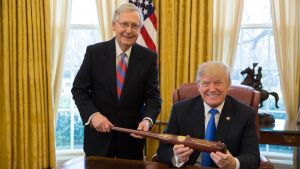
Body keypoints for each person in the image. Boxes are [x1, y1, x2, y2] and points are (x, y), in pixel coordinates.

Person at [71, 3, 161, 160]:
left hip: (131, 142)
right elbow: (79, 90)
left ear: (140, 29)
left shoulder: (149, 58)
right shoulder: (94, 53)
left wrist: (147, 121)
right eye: (124, 24)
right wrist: (93, 115)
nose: (129, 30)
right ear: (114, 25)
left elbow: (153, 98)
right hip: (98, 140)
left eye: (135, 26)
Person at [157, 61, 259, 169]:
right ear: (198, 86)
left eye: (218, 83)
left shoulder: (245, 114)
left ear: (228, 85)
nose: (212, 89)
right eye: (206, 83)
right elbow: (163, 150)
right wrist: (177, 157)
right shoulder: (181, 110)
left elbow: (253, 157)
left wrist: (234, 163)